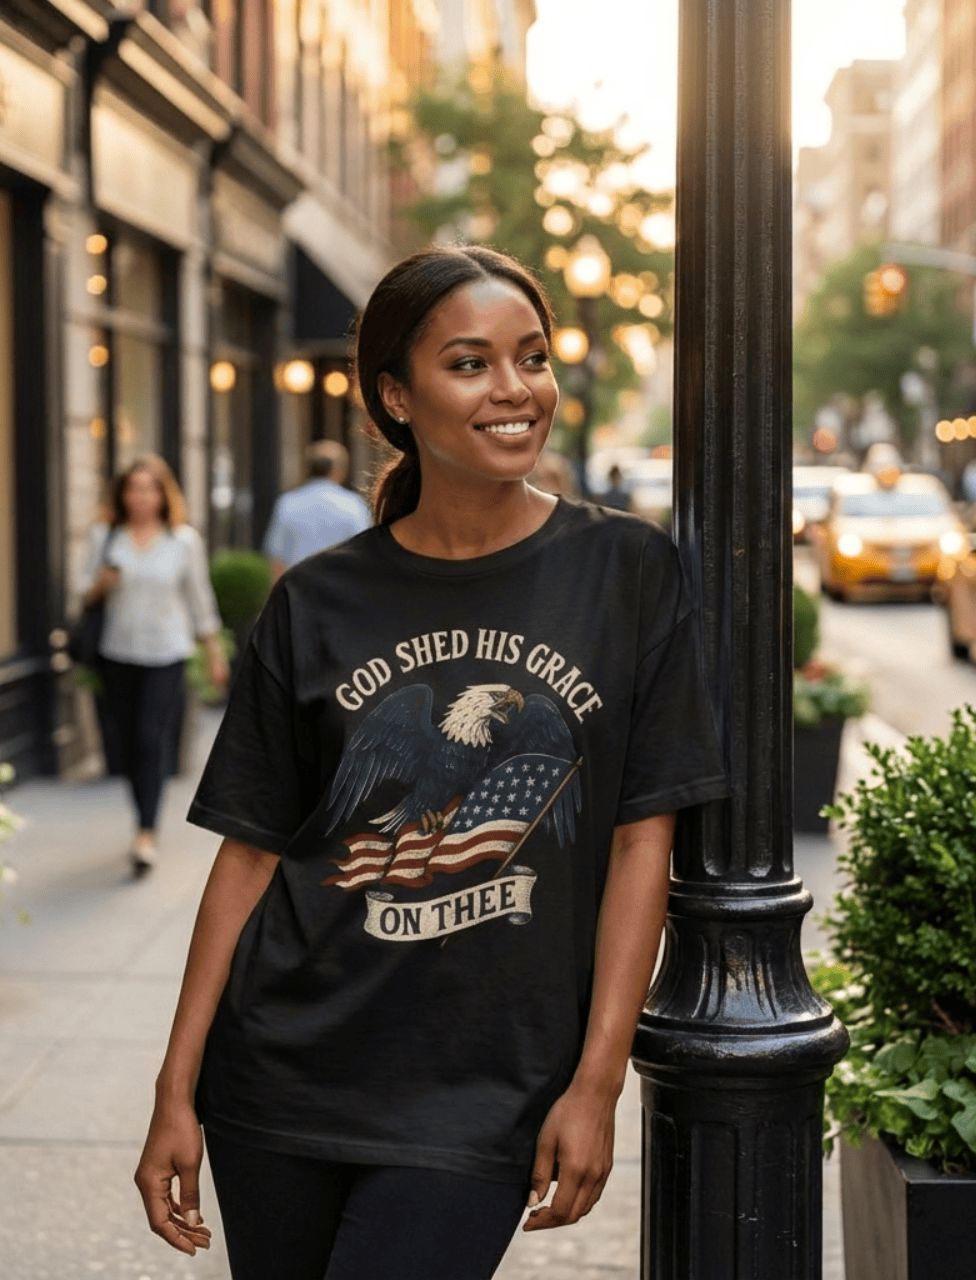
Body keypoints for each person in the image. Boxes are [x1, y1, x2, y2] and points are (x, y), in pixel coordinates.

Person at [133, 247, 727, 1279]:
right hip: (282, 1073)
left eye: (530, 357)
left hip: (486, 1081)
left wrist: (596, 1081)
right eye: (469, 363)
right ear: (395, 397)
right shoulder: (315, 600)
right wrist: (174, 1090)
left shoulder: (624, 569)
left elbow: (642, 838)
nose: (513, 389)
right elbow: (250, 857)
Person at [79, 455, 229, 875]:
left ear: (163, 494)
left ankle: (146, 831)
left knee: (150, 738)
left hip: (167, 653)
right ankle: (142, 813)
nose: (141, 496)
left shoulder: (183, 541)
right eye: (133, 488)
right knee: (127, 744)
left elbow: (199, 600)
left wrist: (214, 653)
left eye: (150, 488)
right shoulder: (105, 537)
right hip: (117, 653)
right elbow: (82, 593)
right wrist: (100, 585)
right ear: (122, 495)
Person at [262, 439, 371, 580]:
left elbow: (276, 558)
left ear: (308, 469)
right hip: (340, 592)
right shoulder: (354, 504)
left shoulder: (288, 503)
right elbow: (364, 555)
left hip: (298, 591)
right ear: (338, 471)